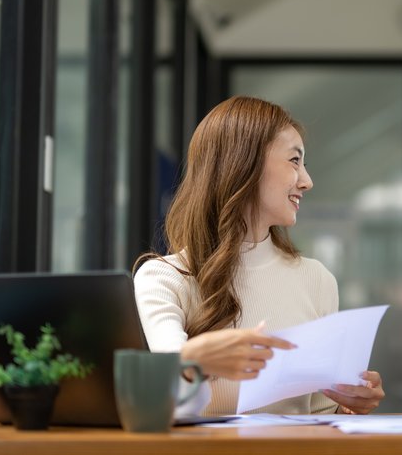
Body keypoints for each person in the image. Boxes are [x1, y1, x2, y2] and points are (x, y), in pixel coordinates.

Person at [134, 95, 384, 415]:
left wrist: (351, 403)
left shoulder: (316, 279)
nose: (307, 181)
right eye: (295, 160)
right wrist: (199, 357)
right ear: (243, 163)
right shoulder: (164, 278)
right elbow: (167, 383)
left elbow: (320, 415)